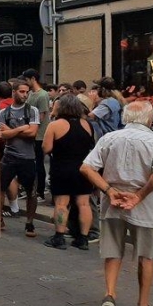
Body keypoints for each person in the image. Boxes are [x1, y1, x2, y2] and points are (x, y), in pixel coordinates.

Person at [80, 101, 153, 306]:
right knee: (145, 256)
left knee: (112, 252)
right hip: (145, 204)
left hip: (113, 202)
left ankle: (110, 294)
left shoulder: (109, 138)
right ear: (149, 119)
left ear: (125, 117)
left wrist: (109, 191)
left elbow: (86, 167)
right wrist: (139, 195)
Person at [42, 95, 95, 250]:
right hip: (83, 169)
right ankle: (83, 238)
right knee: (84, 204)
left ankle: (59, 237)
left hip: (62, 168)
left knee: (61, 203)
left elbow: (46, 148)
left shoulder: (55, 125)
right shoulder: (87, 124)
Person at [0, 80, 40, 237]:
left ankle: (30, 223)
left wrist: (12, 131)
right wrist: (21, 128)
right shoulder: (4, 113)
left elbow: (32, 133)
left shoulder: (32, 111)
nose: (25, 95)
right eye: (21, 92)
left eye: (27, 92)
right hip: (9, 156)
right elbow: (2, 134)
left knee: (32, 191)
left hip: (28, 157)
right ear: (13, 92)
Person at [23, 69, 50, 202]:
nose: (26, 83)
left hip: (39, 135)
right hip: (30, 134)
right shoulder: (30, 94)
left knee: (39, 163)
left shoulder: (42, 95)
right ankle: (31, 189)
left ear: (33, 79)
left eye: (27, 80)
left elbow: (41, 115)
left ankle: (40, 191)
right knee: (31, 164)